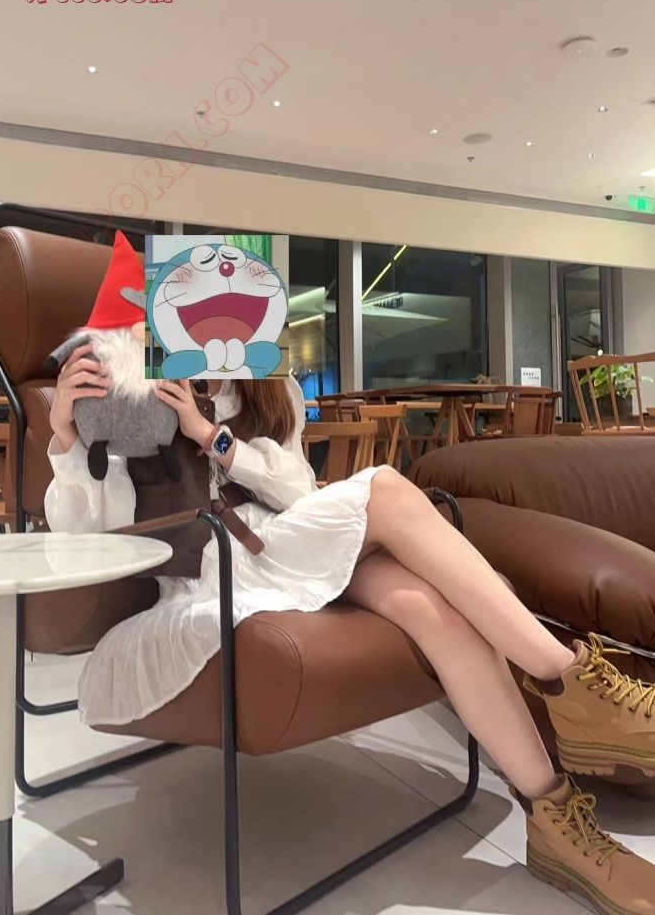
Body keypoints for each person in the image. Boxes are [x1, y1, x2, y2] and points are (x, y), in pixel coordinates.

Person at [45, 354, 655, 915]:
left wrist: (213, 437)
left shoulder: (267, 383)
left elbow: (297, 490)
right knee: (387, 491)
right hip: (217, 569)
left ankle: (556, 823)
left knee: (430, 608)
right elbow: (94, 534)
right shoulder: (138, 385)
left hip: (291, 542)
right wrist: (68, 436)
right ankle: (574, 685)